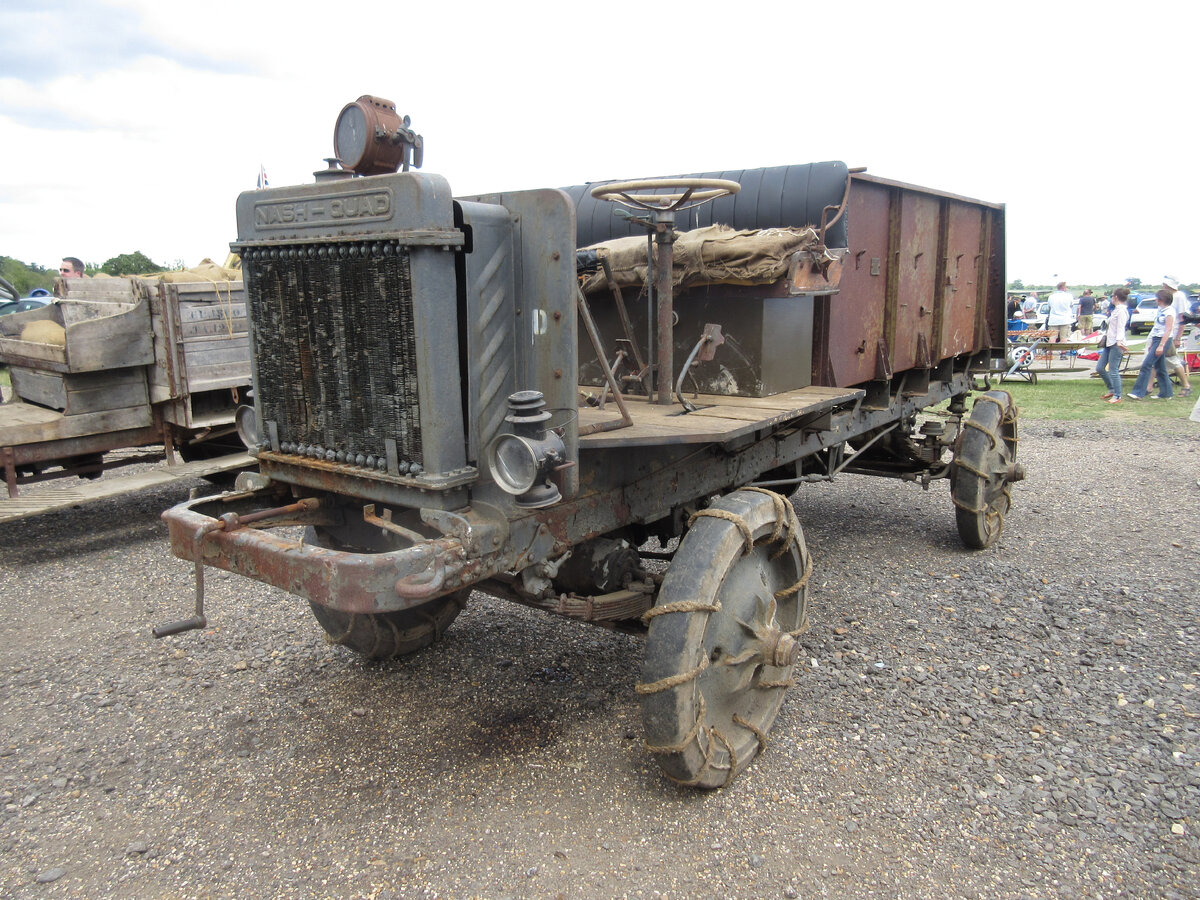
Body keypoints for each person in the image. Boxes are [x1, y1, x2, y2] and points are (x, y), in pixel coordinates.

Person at [1128, 289, 1176, 400]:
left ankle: (1138, 392)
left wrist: (1161, 345)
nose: (1156, 300)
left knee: (1146, 365)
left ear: (1162, 299)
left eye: (1157, 298)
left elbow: (1168, 330)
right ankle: (1166, 393)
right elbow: (1157, 327)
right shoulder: (1161, 310)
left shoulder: (1169, 312)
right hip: (1156, 339)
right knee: (1160, 367)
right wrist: (1152, 343)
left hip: (1162, 340)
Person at [1096, 288, 1129, 403]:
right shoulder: (1116, 310)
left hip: (1116, 343)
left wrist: (1119, 341)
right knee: (1100, 368)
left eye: (1112, 296)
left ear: (1116, 297)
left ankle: (1118, 395)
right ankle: (1112, 390)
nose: (1111, 298)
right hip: (1109, 343)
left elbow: (1121, 327)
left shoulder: (1121, 311)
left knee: (1113, 370)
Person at [1162, 277, 1192, 397]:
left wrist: (1178, 337)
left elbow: (1182, 319)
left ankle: (1186, 385)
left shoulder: (1179, 296)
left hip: (1171, 334)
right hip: (1164, 333)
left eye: (1164, 285)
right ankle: (1154, 385)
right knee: (1156, 360)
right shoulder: (1168, 297)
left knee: (1173, 360)